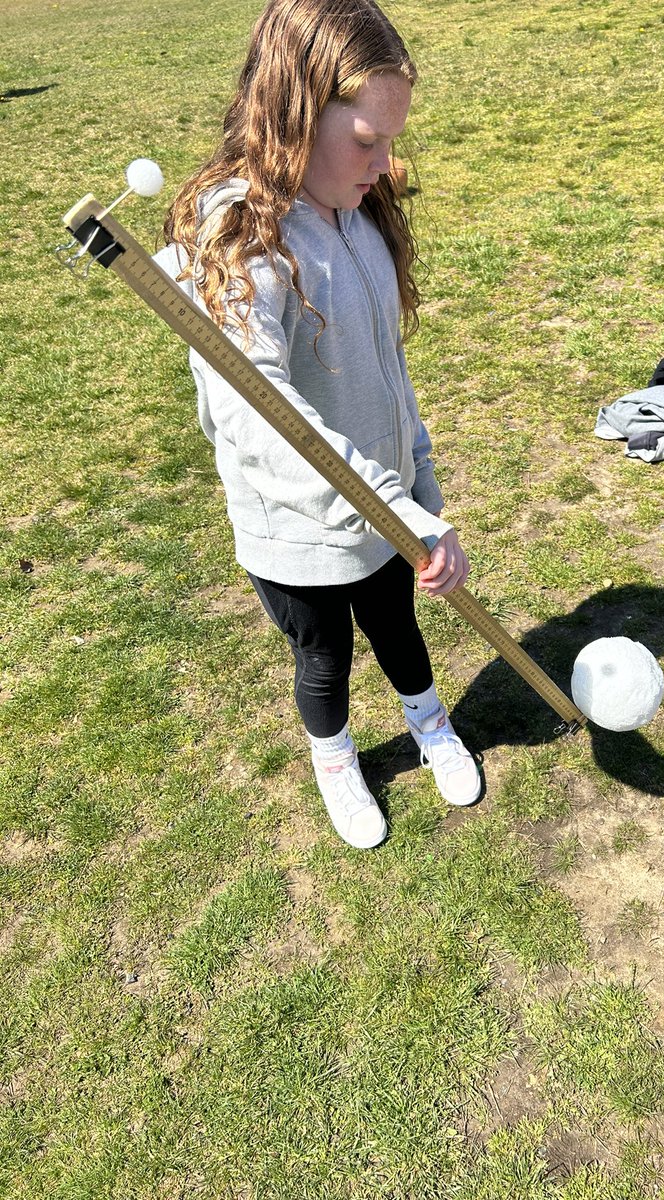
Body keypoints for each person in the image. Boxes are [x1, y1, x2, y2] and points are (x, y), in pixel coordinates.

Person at [162, 0, 481, 849]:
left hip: (385, 505)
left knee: (399, 624)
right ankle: (336, 758)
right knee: (324, 657)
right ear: (296, 109)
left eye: (391, 139)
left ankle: (431, 722)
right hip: (298, 530)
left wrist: (420, 490)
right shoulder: (237, 236)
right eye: (367, 140)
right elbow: (264, 416)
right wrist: (400, 509)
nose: (385, 163)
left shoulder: (357, 209)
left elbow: (389, 372)